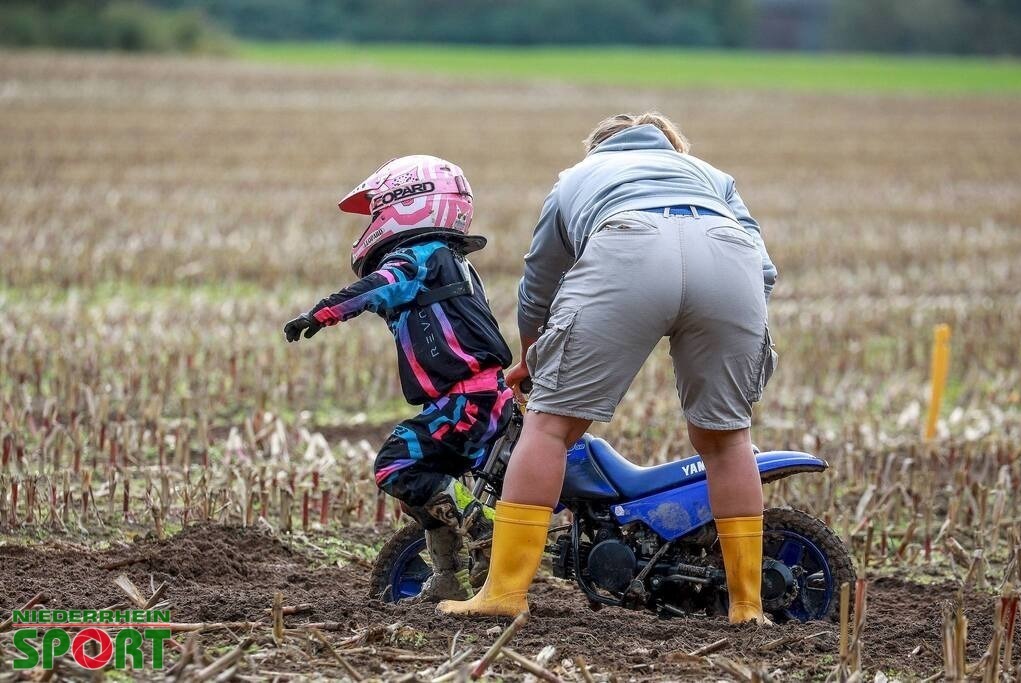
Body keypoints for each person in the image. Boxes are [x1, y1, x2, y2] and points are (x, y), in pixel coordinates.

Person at [439, 113, 778, 624]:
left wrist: (533, 359)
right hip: (730, 258)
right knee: (727, 438)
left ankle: (504, 595)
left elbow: (538, 283)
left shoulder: (577, 178)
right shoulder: (711, 176)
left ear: (598, 148)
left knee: (550, 428)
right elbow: (764, 270)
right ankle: (747, 607)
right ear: (672, 147)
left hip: (628, 244)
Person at [283, 155, 514, 601]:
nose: (372, 221)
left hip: (466, 399)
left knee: (397, 464)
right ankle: (449, 576)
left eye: (376, 211)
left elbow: (381, 284)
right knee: (421, 486)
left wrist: (321, 313)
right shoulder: (452, 261)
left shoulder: (421, 256)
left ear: (407, 203)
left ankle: (488, 531)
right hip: (476, 397)